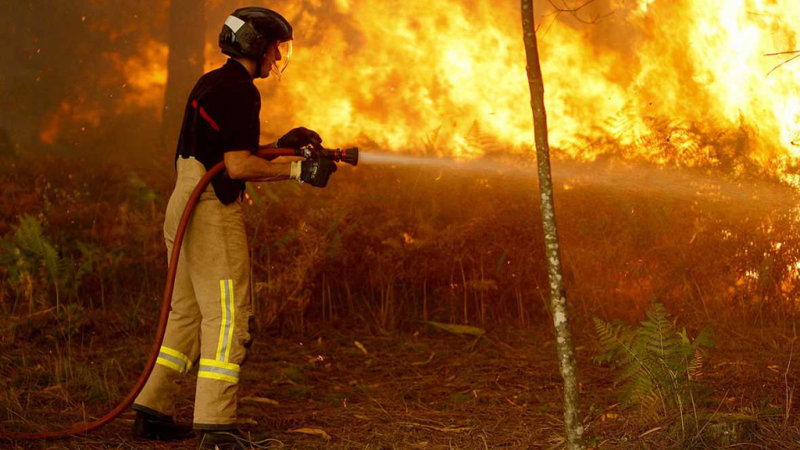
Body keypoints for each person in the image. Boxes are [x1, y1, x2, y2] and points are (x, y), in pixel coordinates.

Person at [130, 7, 337, 449]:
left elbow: (224, 150)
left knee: (185, 314)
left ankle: (152, 409)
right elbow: (236, 165)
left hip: (182, 200)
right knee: (228, 316)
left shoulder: (212, 81)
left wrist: (283, 147)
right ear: (257, 46)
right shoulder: (242, 91)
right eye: (276, 47)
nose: (278, 56)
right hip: (209, 212)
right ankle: (215, 426)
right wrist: (299, 171)